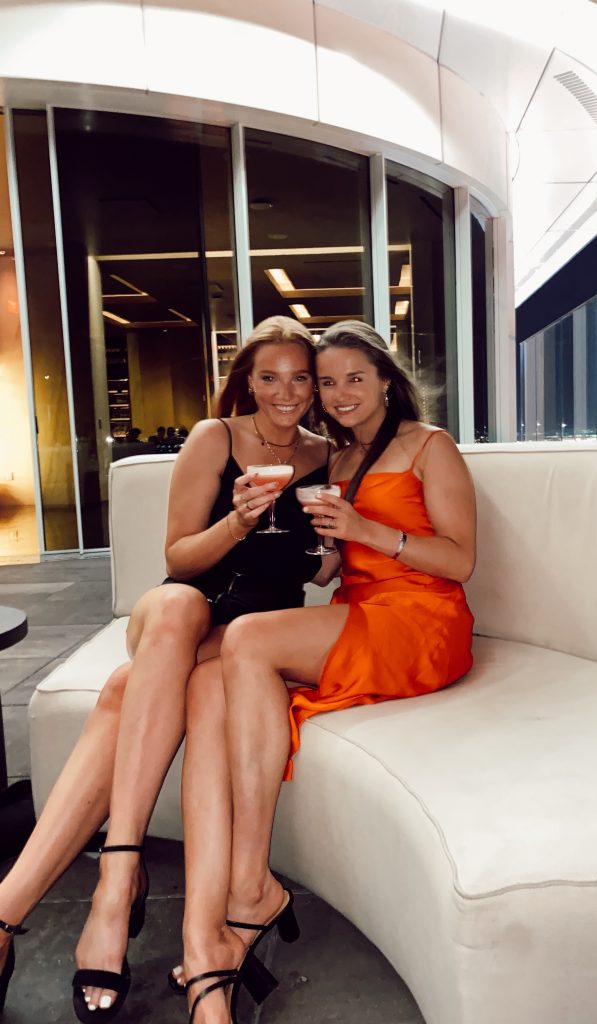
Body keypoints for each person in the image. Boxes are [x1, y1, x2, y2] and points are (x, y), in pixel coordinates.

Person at [0, 316, 334, 1022]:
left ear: (315, 385)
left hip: (249, 630)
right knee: (180, 609)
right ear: (245, 380)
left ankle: (17, 913)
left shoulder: (325, 455)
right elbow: (178, 558)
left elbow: (320, 570)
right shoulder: (218, 438)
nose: (285, 391)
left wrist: (332, 554)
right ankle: (119, 872)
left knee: (125, 693)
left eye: (300, 377)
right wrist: (239, 522)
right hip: (181, 613)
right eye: (268, 377)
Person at [176, 320, 476, 1024]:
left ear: (386, 380)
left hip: (424, 621)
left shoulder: (431, 447)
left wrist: (370, 531)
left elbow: (460, 561)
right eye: (329, 381)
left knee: (246, 641)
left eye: (354, 378)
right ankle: (225, 896)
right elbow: (331, 567)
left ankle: (249, 886)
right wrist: (283, 534)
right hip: (361, 608)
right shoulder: (335, 461)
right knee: (200, 679)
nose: (340, 394)